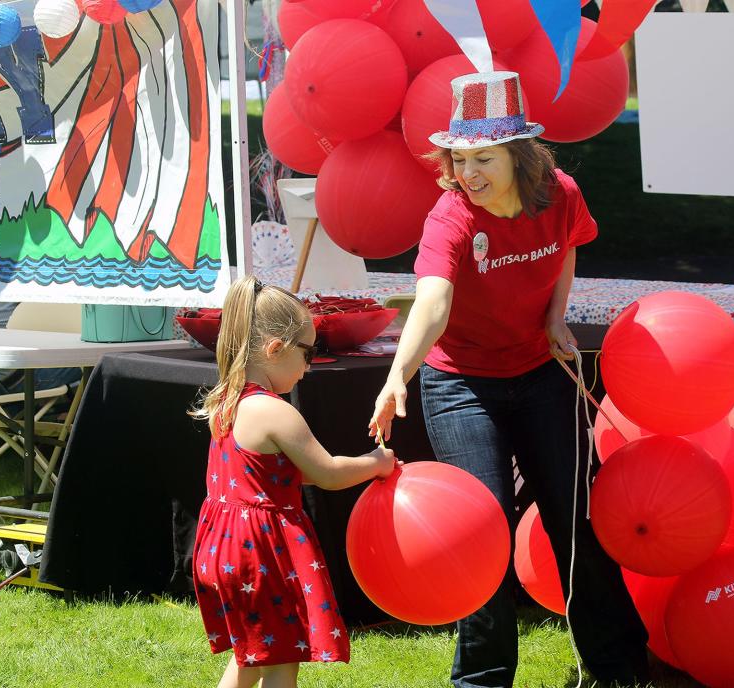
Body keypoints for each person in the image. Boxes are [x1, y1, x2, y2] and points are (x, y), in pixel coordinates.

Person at [368, 71, 649, 688]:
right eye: (459, 158)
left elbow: (568, 246)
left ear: (519, 155)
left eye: (484, 158)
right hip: (462, 385)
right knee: (482, 531)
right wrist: (397, 376)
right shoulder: (450, 218)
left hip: (541, 373)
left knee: (577, 519)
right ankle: (482, 680)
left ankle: (620, 666)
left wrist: (555, 317)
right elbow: (433, 303)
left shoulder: (562, 194)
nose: (468, 172)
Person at [190, 276, 399, 688]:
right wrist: (376, 463)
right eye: (309, 352)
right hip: (259, 555)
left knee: (251, 652)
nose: (309, 365)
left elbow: (269, 475)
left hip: (222, 549)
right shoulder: (275, 412)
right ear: (274, 349)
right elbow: (327, 473)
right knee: (283, 657)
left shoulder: (226, 401)